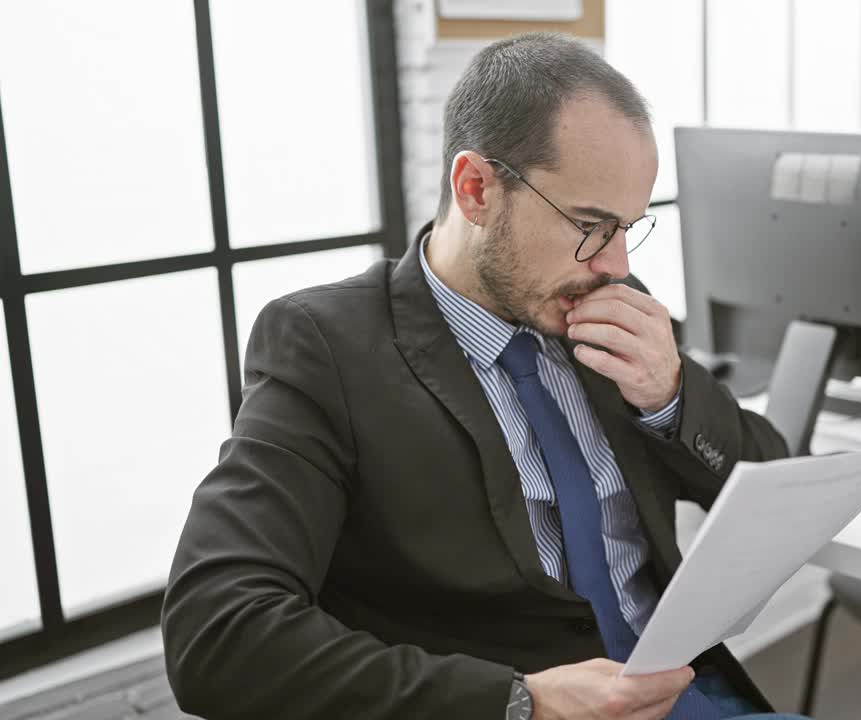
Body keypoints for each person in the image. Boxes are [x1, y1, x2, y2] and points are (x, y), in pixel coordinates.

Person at [162, 32, 809, 720]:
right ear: (475, 188)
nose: (616, 264)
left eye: (629, 228)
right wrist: (518, 702)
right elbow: (216, 634)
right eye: (590, 224)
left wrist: (672, 395)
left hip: (682, 689)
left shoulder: (605, 303)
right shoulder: (326, 347)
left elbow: (777, 487)